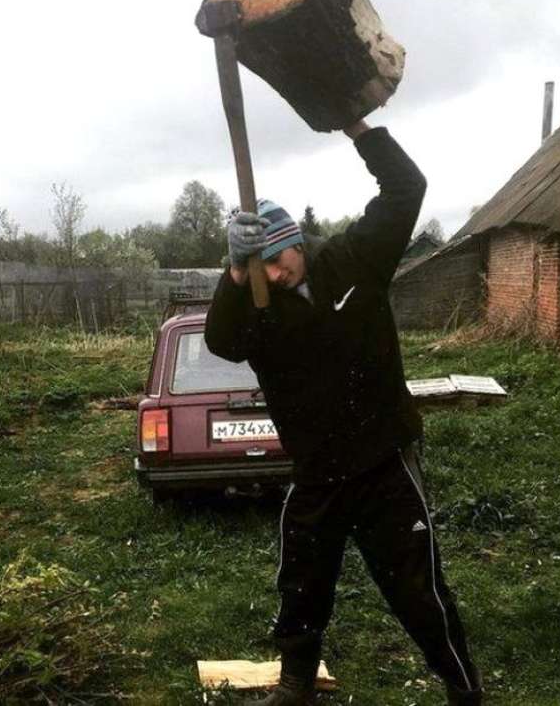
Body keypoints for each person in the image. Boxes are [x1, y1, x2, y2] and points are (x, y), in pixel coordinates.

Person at [204, 120, 482, 706]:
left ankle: (463, 688)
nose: (273, 276)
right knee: (301, 583)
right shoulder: (256, 304)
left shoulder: (355, 261)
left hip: (384, 460)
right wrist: (234, 277)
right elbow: (222, 342)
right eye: (259, 270)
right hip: (317, 470)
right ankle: (296, 684)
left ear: (296, 242)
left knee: (416, 586)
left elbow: (407, 188)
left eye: (277, 261)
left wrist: (357, 125)